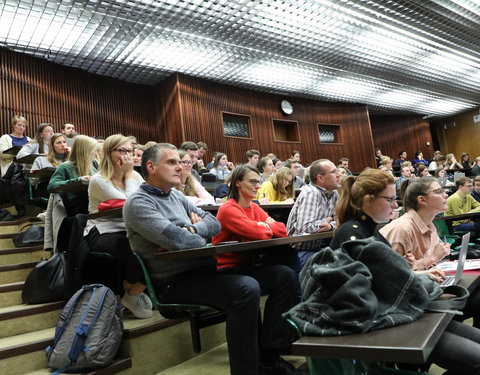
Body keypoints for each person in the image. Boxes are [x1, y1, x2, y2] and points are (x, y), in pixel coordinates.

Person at [124, 143, 294, 375]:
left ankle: (268, 355)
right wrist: (190, 229)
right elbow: (182, 241)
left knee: (283, 275)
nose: (182, 166)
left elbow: (213, 224)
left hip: (206, 273)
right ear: (151, 167)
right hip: (175, 283)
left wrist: (191, 228)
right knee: (246, 288)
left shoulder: (174, 195)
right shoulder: (138, 203)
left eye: (181, 161)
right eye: (172, 162)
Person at [329, 169, 480, 374]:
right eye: (390, 199)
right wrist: (417, 274)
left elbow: (386, 277)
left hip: (400, 312)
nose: (395, 205)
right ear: (368, 200)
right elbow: (381, 286)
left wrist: (415, 272)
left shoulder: (369, 229)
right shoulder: (354, 234)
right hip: (386, 323)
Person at [212, 164, 298, 374]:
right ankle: (269, 356)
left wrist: (264, 226)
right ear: (237, 183)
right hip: (227, 270)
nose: (257, 185)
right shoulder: (228, 208)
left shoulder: (254, 207)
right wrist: (264, 227)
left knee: (286, 275)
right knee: (283, 273)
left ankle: (270, 348)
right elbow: (260, 234)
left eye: (258, 181)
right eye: (252, 181)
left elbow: (282, 229)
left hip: (247, 266)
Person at [380, 177, 480, 328]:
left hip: (428, 289)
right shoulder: (402, 229)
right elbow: (392, 280)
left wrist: (438, 258)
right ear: (422, 200)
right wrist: (433, 257)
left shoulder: (430, 224)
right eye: (439, 191)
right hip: (409, 305)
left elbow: (433, 261)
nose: (446, 195)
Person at [84, 134, 152, 319]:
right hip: (103, 231)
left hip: (130, 229)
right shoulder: (98, 180)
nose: (127, 155)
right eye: (122, 151)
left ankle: (131, 292)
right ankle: (131, 293)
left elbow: (147, 201)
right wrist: (129, 174)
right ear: (109, 152)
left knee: (160, 247)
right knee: (136, 249)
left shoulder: (136, 176)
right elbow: (131, 204)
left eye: (129, 151)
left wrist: (131, 174)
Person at [287, 159, 340, 267]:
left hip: (320, 247)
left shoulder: (334, 193)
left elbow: (341, 222)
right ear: (320, 178)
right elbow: (305, 228)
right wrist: (326, 221)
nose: (339, 175)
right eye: (334, 172)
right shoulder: (311, 193)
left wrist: (330, 225)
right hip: (299, 252)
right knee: (333, 265)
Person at [47, 135, 97, 216]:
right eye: (93, 150)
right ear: (85, 151)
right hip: (78, 206)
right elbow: (51, 186)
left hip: (93, 201)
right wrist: (78, 180)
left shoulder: (93, 166)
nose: (96, 153)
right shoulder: (65, 166)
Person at [30, 133, 69, 198]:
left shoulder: (71, 159)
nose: (63, 145)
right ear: (52, 146)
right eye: (59, 143)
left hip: (66, 185)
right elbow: (33, 182)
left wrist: (72, 155)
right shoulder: (41, 159)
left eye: (64, 142)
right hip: (46, 187)